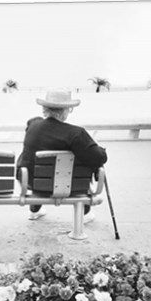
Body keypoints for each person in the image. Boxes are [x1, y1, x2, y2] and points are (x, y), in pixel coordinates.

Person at [16, 88, 108, 223]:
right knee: (82, 161)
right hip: (68, 186)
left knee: (37, 162)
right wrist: (97, 147)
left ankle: (35, 209)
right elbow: (99, 158)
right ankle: (85, 212)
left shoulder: (33, 125)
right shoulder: (76, 134)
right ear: (66, 110)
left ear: (44, 109)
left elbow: (40, 131)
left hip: (30, 182)